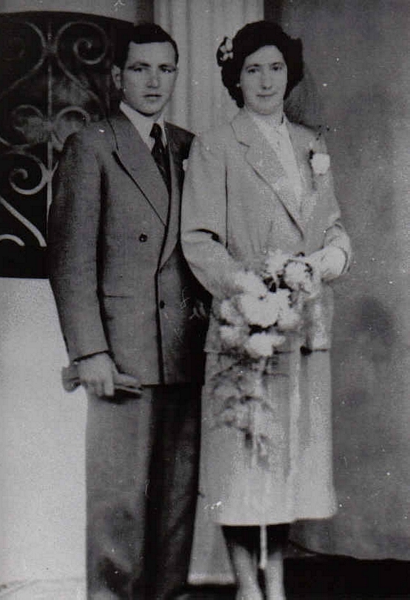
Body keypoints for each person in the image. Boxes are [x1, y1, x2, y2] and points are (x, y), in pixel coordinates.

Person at [181, 21, 351, 600]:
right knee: (240, 459)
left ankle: (273, 581)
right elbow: (200, 240)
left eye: (275, 67)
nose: (265, 80)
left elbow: (332, 226)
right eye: (252, 69)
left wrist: (330, 258)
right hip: (246, 325)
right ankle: (245, 585)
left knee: (284, 464)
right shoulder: (216, 144)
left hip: (304, 326)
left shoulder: (310, 144)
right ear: (236, 77)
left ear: (289, 73)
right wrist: (252, 289)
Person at [48, 22, 208, 600]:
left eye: (165, 69)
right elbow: (70, 259)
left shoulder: (191, 147)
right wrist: (89, 351)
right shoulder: (91, 144)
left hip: (184, 350)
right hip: (121, 353)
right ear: (117, 76)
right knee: (119, 503)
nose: (153, 81)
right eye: (140, 69)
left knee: (176, 502)